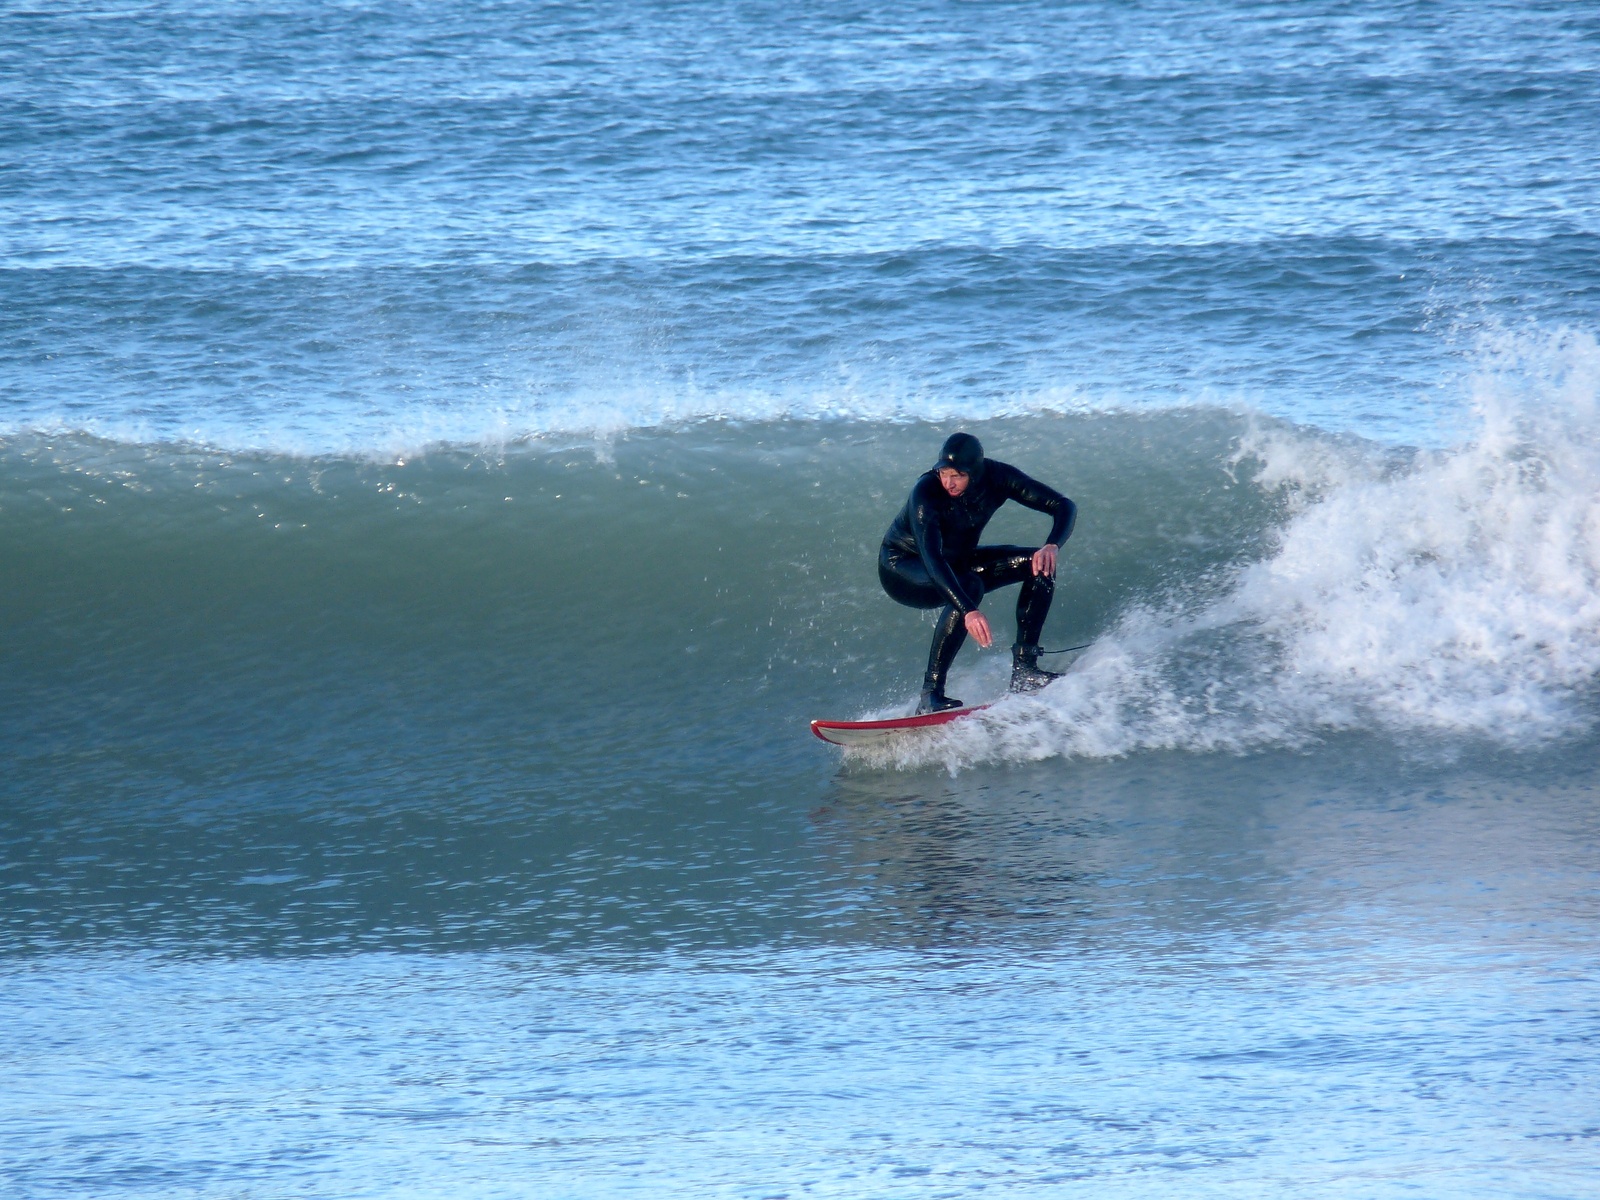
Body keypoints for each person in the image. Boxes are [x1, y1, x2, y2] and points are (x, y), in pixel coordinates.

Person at [879, 432, 1077, 714]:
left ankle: (1025, 670)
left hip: (958, 561)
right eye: (944, 473)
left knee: (1039, 564)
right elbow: (933, 559)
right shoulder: (926, 494)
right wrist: (969, 610)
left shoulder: (998, 477)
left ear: (975, 472)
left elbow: (1063, 505)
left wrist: (1052, 545)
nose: (948, 482)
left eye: (957, 475)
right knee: (969, 586)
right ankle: (931, 694)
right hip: (903, 567)